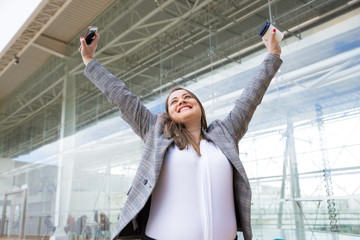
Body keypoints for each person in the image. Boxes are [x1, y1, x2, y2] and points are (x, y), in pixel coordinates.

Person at [79, 27, 282, 240]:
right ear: (168, 115)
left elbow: (250, 97)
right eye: (174, 101)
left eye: (187, 97)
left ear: (199, 107)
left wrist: (273, 55)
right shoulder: (155, 132)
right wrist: (89, 60)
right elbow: (121, 96)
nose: (181, 101)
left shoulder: (226, 133)